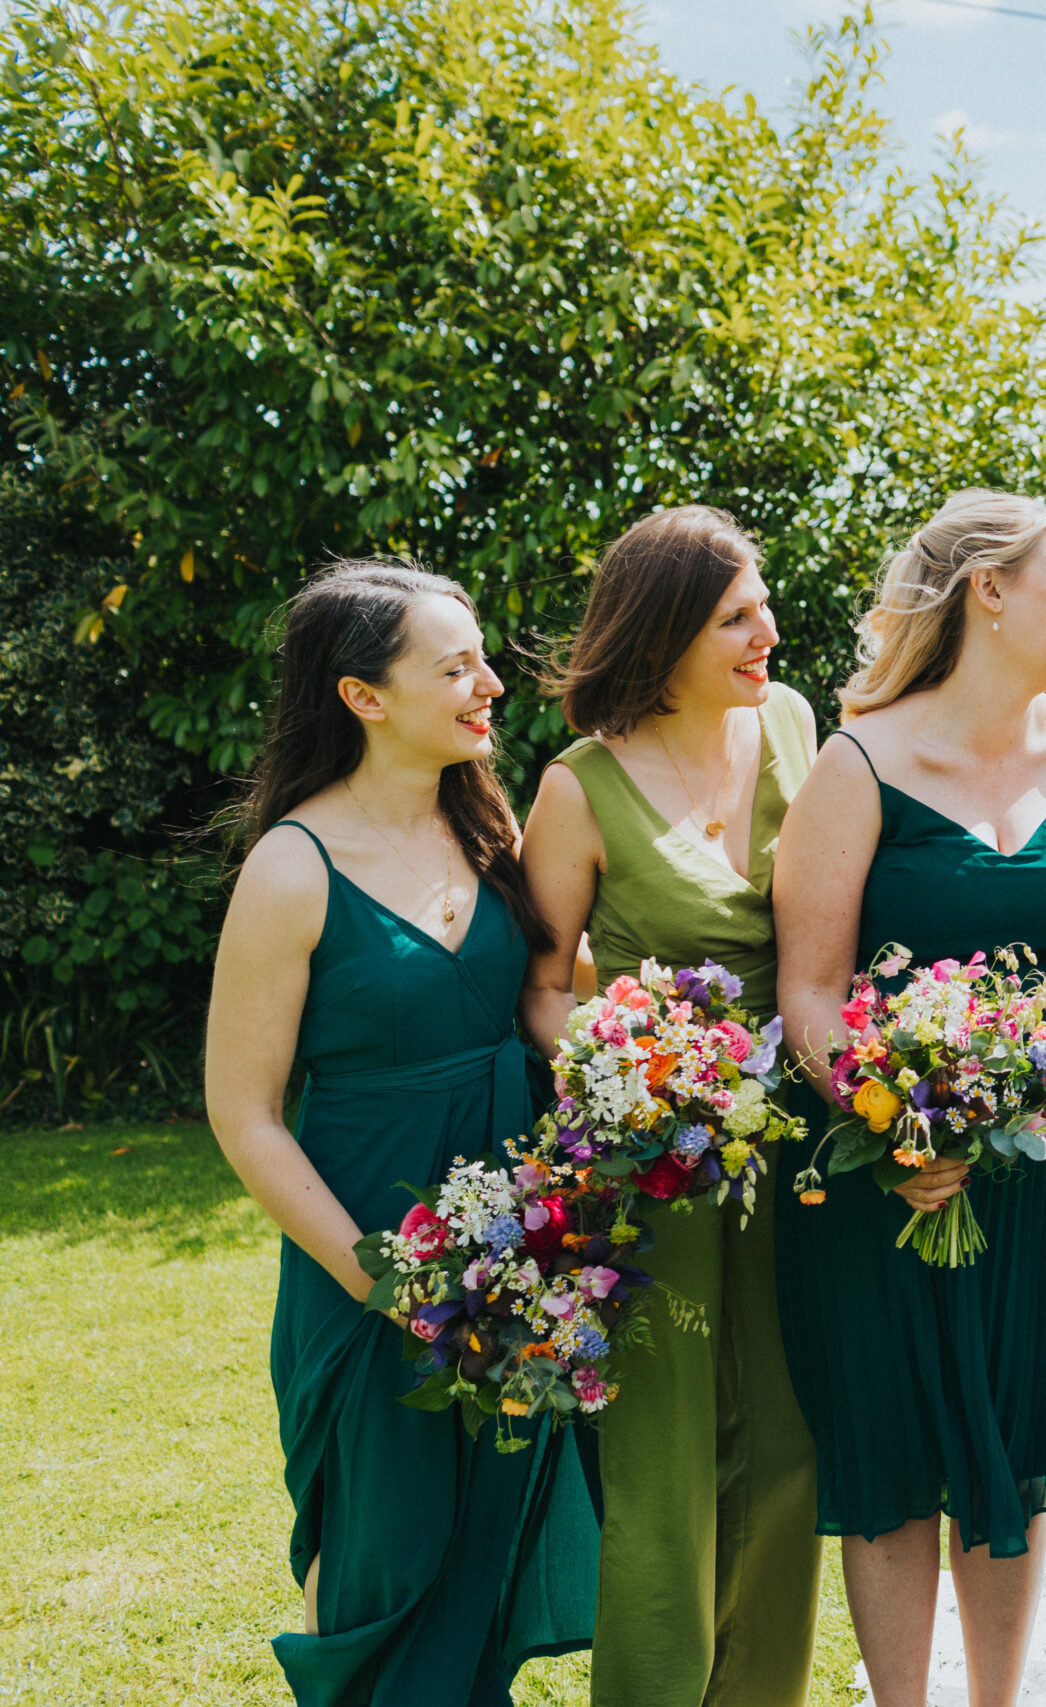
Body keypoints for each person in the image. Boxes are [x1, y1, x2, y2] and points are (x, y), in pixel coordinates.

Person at [205, 559, 597, 1705]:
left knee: (489, 1534)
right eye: (455, 666)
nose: (489, 685)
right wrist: (385, 1281)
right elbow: (243, 1112)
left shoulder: (488, 829)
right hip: (370, 1255)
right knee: (383, 1559)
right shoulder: (291, 868)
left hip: (517, 1255)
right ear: (362, 697)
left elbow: (546, 1000)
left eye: (479, 659)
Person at [770, 489, 1046, 1707]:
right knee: (893, 1447)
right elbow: (810, 993)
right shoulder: (859, 758)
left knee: (1015, 1447)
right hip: (884, 1173)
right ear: (989, 589)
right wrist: (902, 1123)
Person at [517, 505, 825, 1707]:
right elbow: (543, 988)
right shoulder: (578, 787)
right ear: (662, 636)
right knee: (663, 1465)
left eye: (762, 606)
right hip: (661, 1162)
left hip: (801, 1151)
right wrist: (629, 1063)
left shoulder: (796, 724)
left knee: (789, 1445)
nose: (767, 633)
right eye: (735, 617)